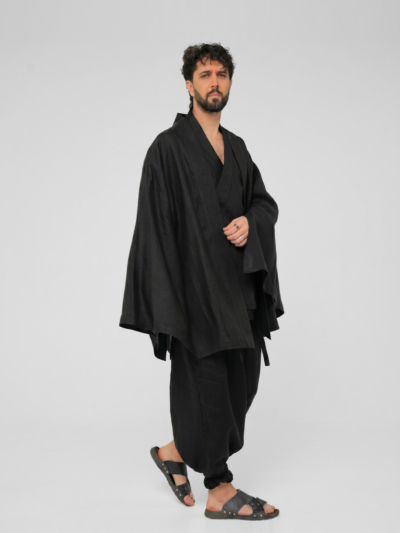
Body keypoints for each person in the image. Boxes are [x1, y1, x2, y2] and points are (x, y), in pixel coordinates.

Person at [119, 43, 284, 521]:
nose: (215, 82)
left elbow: (264, 203)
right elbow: (154, 225)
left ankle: (173, 452)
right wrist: (168, 302)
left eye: (222, 74)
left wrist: (252, 221)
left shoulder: (238, 148)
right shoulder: (167, 148)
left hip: (239, 292)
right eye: (206, 74)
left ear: (229, 83)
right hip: (194, 294)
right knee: (208, 387)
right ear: (188, 84)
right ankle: (219, 489)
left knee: (241, 387)